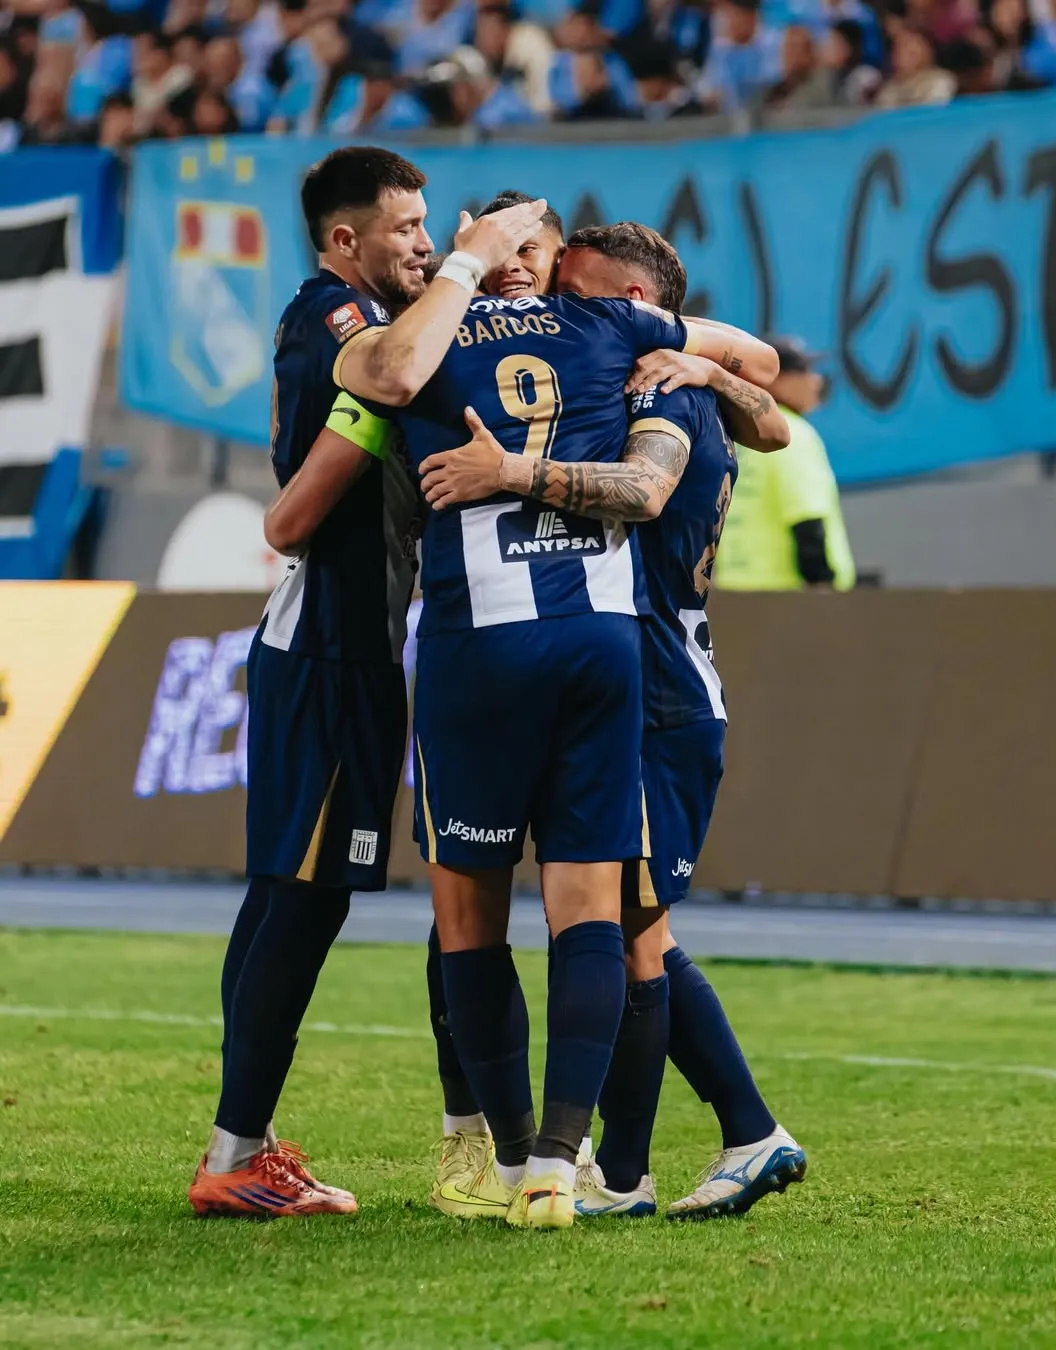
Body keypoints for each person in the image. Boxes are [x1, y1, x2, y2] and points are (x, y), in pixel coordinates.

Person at [326, 198, 764, 1230]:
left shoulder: (417, 336)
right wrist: (699, 365)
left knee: (469, 916)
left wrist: (461, 278)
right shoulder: (612, 330)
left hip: (479, 647)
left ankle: (509, 1154)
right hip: (605, 648)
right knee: (596, 916)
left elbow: (379, 378)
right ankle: (566, 1171)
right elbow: (760, 367)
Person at [186, 146, 549, 1219]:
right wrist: (476, 264)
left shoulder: (362, 317)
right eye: (407, 230)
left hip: (348, 644)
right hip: (329, 646)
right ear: (347, 241)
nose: (428, 244)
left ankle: (238, 1143)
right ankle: (236, 1156)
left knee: (285, 903)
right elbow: (376, 398)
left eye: (435, 226)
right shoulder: (331, 314)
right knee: (302, 902)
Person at [422, 220, 806, 1221]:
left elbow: (647, 488)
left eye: (578, 295)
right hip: (651, 668)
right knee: (637, 928)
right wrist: (720, 370)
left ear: (630, 308)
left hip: (658, 681)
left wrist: (508, 472)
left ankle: (679, 1152)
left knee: (638, 938)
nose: (557, 310)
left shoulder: (656, 388)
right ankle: (669, 1153)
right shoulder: (660, 375)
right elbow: (773, 414)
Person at [713, 335, 855, 592]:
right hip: (790, 599)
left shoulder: (736, 434)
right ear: (776, 378)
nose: (815, 381)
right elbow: (807, 519)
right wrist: (822, 585)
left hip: (735, 594)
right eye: (805, 371)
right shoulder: (792, 434)